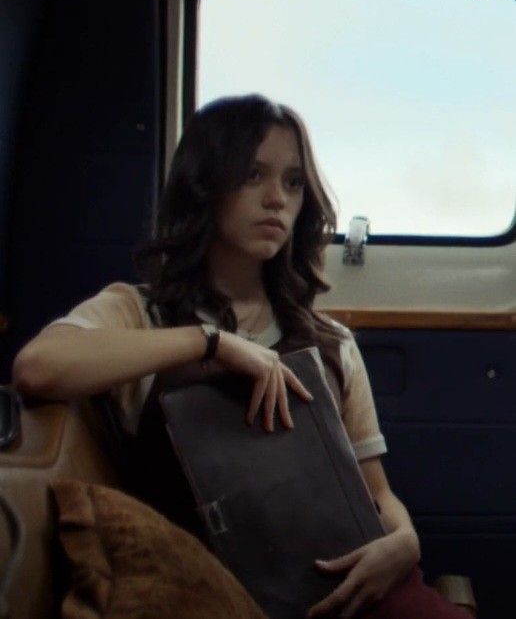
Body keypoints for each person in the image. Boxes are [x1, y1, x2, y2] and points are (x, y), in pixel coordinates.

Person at [12, 94, 471, 619]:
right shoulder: (139, 313)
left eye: (293, 183)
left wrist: (406, 540)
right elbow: (37, 368)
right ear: (206, 185)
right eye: (254, 175)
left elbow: (379, 497)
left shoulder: (330, 343)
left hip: (356, 585)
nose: (277, 199)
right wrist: (210, 343)